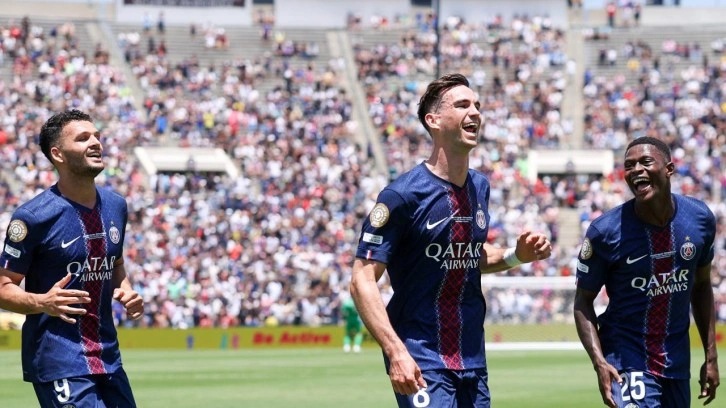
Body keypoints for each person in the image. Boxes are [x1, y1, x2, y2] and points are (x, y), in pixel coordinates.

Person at [351, 73, 552, 407]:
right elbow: (362, 279)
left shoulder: (479, 187)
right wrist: (395, 351)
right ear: (433, 120)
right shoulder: (402, 195)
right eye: (462, 105)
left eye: (477, 105)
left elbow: (468, 255)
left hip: (472, 357)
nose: (475, 112)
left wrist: (517, 255)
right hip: (421, 355)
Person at [0, 109, 144, 407]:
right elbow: (3, 287)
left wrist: (126, 289)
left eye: (97, 136)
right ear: (58, 154)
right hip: (59, 360)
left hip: (108, 358)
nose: (96, 143)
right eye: (82, 138)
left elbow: (115, 263)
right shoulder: (33, 217)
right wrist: (42, 302)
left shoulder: (116, 206)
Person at [573, 136, 719, 408]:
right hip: (626, 355)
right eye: (629, 165)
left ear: (669, 169)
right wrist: (599, 362)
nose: (636, 170)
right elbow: (582, 300)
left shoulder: (699, 218)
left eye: (645, 162)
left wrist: (711, 357)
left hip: (676, 361)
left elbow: (701, 286)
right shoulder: (605, 232)